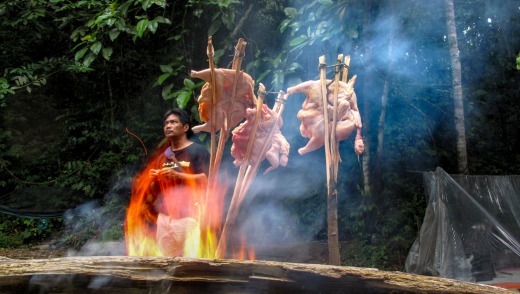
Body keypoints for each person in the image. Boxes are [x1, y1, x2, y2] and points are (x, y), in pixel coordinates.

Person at [148, 108, 210, 256]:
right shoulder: (163, 157)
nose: (168, 126)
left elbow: (206, 179)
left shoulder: (199, 151)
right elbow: (154, 190)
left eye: (173, 122)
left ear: (185, 127)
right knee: (164, 266)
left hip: (189, 217)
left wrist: (178, 175)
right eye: (166, 123)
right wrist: (152, 179)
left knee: (190, 266)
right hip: (164, 218)